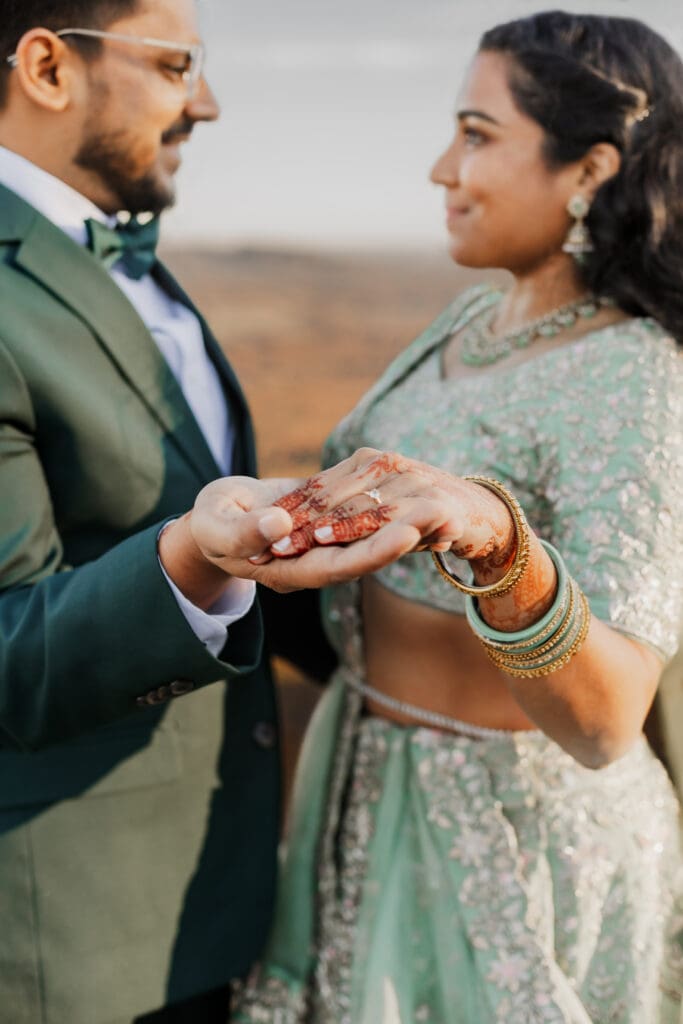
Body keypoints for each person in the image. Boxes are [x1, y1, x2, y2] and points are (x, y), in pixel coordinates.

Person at [230, 11, 683, 1023]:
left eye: (476, 135)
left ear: (587, 171)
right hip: (363, 790)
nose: (441, 168)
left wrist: (499, 542)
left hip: (515, 844)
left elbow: (609, 719)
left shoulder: (635, 374)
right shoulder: (472, 320)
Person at [0, 1, 413, 1020]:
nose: (210, 104)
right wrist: (191, 553)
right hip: (72, 944)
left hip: (220, 908)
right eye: (178, 65)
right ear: (49, 67)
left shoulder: (143, 276)